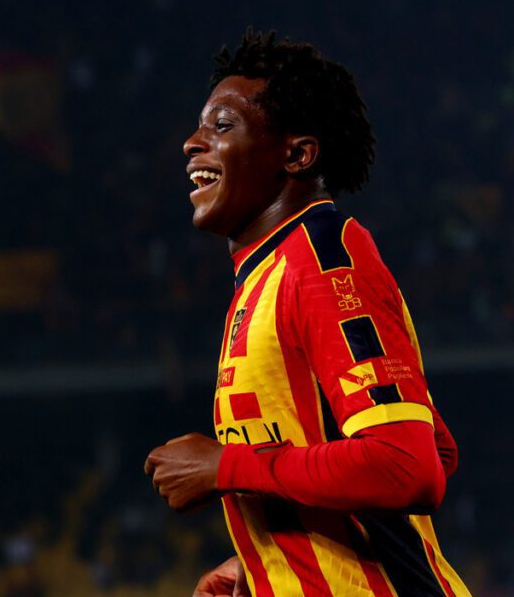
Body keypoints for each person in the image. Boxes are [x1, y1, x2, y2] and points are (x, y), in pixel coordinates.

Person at [143, 29, 469, 596]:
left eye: (222, 125)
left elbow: (408, 466)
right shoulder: (265, 274)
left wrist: (226, 468)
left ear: (296, 154)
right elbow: (436, 446)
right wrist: (267, 556)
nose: (192, 142)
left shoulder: (323, 262)